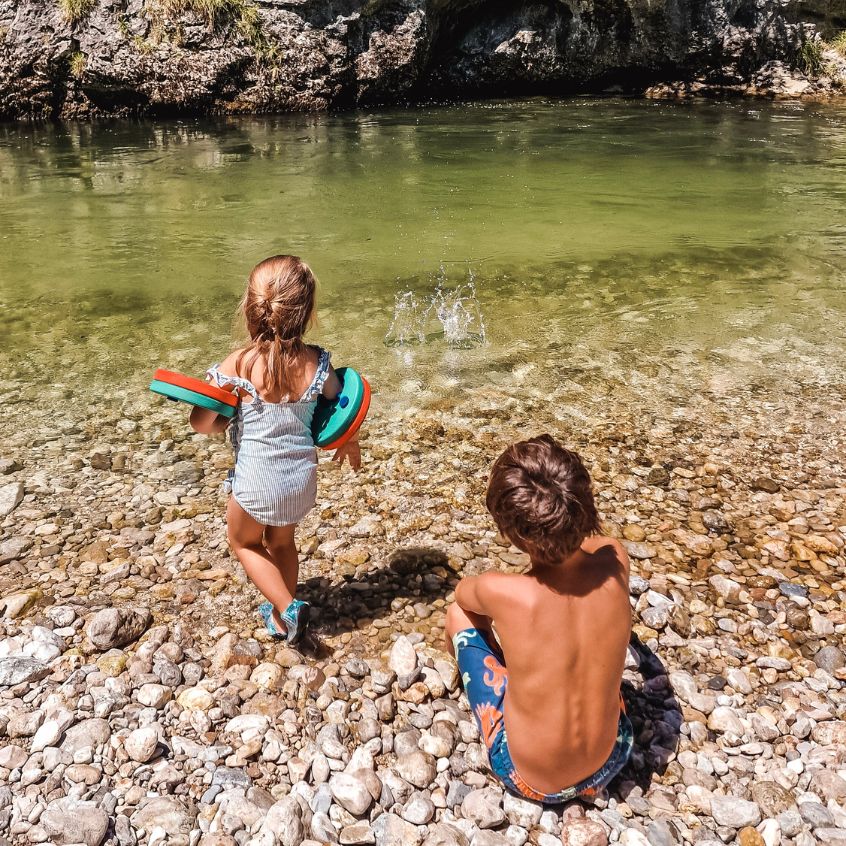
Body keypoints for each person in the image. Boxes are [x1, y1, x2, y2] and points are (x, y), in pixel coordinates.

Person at [445, 435, 633, 803]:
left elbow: (463, 595)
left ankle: (461, 683)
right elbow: (600, 543)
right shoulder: (616, 561)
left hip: (529, 777)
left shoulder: (506, 592)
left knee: (458, 616)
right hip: (613, 755)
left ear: (512, 535)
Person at [190, 255, 361, 644]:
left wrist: (208, 407)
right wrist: (349, 441)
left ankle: (288, 607)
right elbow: (341, 409)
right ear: (307, 312)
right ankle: (284, 613)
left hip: (255, 483)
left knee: (244, 542)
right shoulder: (317, 362)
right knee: (282, 542)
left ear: (250, 309)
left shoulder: (240, 363)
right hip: (299, 480)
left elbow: (205, 425)